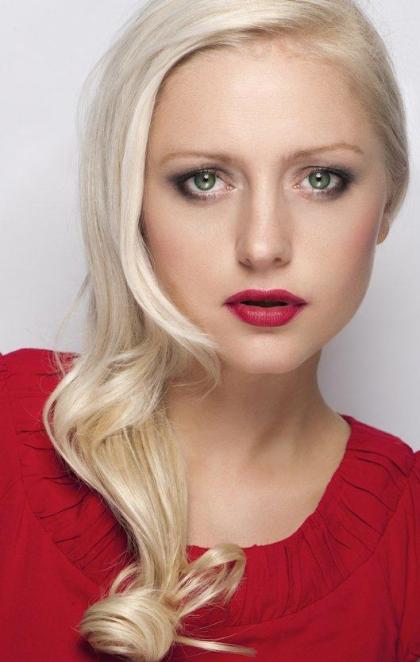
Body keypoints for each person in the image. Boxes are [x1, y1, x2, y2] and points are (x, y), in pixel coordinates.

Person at [0, 0, 418, 660]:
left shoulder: (408, 535)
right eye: (204, 180)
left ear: (388, 199)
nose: (263, 245)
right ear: (132, 202)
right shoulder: (11, 431)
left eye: (320, 179)